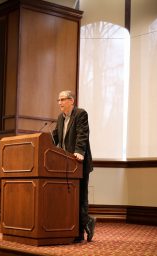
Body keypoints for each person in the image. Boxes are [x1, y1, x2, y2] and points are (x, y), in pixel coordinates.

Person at [52, 90, 95, 243]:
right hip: (65, 165)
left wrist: (78, 151)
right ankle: (83, 224)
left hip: (79, 162)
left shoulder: (80, 114)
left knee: (80, 197)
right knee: (70, 198)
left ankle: (79, 232)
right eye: (58, 100)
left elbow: (83, 134)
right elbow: (55, 136)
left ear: (71, 100)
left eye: (62, 99)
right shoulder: (60, 118)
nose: (59, 103)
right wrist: (44, 144)